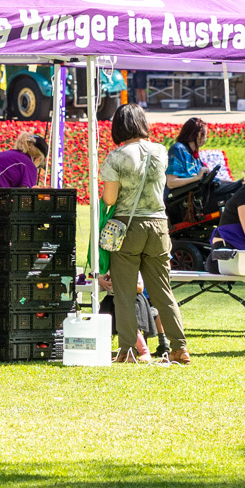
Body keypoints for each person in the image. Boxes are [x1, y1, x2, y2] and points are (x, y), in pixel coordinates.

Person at [98, 104, 188, 366]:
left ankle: (127, 350)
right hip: (159, 225)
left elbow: (110, 198)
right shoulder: (160, 151)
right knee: (163, 290)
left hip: (128, 227)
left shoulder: (116, 157)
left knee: (124, 292)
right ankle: (180, 348)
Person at [166, 117, 210, 190]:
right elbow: (171, 182)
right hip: (186, 197)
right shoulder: (178, 149)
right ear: (199, 134)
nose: (206, 138)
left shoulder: (192, 151)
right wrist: (197, 177)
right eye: (205, 135)